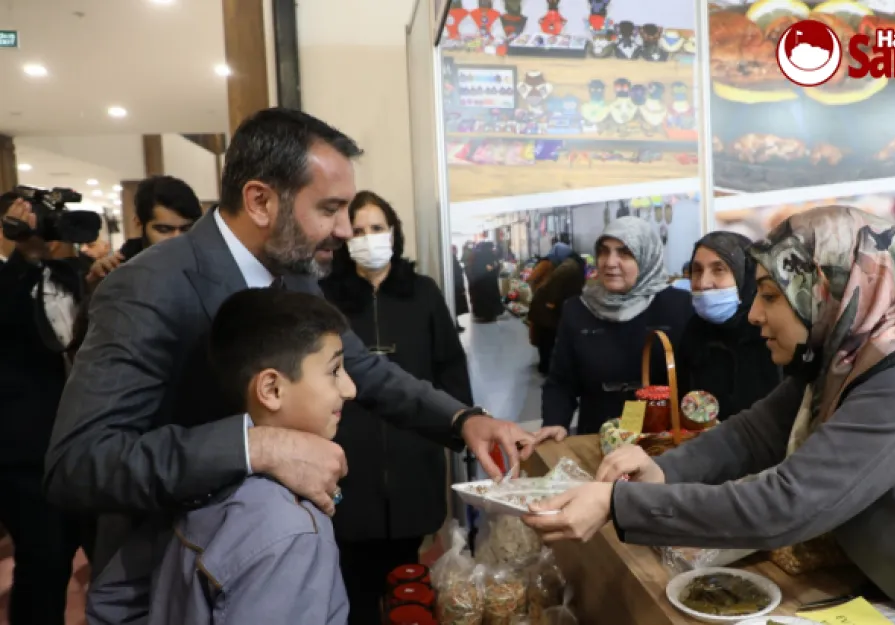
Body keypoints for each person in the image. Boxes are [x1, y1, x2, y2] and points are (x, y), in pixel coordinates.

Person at [43, 107, 533, 624]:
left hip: (274, 554)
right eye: (330, 208)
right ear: (259, 200)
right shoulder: (150, 287)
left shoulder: (294, 273)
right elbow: (80, 462)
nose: (344, 230)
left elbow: (363, 369)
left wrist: (462, 420)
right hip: (181, 582)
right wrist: (259, 446)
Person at [524, 206, 895, 603]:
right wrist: (661, 469)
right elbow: (755, 432)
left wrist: (622, 505)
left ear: (829, 290)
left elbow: (790, 502)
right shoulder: (845, 358)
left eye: (773, 297)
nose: (755, 315)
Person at [150, 288, 354, 625]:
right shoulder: (290, 532)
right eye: (334, 371)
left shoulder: (198, 483)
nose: (350, 388)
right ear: (272, 389)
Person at [319, 191, 473, 625]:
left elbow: (450, 367)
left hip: (413, 455)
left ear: (394, 233)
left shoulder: (422, 292)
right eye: (360, 230)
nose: (369, 238)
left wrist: (461, 426)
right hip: (350, 458)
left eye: (378, 228)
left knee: (409, 584)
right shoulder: (325, 296)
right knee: (355, 587)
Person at [0, 193, 87, 625]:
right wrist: (24, 257)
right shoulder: (8, 281)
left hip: (87, 445)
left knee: (106, 555)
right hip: (26, 455)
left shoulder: (77, 276)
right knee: (44, 563)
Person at [535, 217, 693, 440]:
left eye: (624, 253)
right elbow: (561, 382)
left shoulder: (679, 306)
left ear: (646, 256)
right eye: (604, 251)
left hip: (664, 441)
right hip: (599, 437)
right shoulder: (578, 310)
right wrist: (555, 422)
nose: (610, 262)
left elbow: (696, 379)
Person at [676, 232, 780, 419]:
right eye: (697, 270)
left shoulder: (768, 333)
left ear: (745, 275)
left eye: (718, 270)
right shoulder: (693, 331)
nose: (704, 283)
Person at [85, 175, 202, 289]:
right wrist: (96, 286)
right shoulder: (120, 269)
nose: (177, 238)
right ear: (139, 223)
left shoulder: (209, 264)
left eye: (186, 229)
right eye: (164, 230)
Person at [528, 243, 585, 375]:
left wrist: (551, 302)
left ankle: (547, 366)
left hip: (547, 305)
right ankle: (548, 367)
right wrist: (551, 302)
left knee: (546, 338)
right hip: (547, 305)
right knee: (548, 338)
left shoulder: (566, 265)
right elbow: (556, 285)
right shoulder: (571, 266)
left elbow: (554, 285)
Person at [467, 240, 504, 323]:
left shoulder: (477, 256)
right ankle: (491, 315)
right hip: (490, 281)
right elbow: (494, 266)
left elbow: (474, 268)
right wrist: (492, 269)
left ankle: (483, 314)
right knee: (490, 298)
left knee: (483, 299)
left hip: (480, 282)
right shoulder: (490, 255)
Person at [452, 244, 468, 332]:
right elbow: (457, 274)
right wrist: (461, 288)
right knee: (456, 306)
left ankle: (456, 324)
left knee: (456, 307)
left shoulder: (453, 259)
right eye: (455, 250)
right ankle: (455, 325)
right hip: (456, 287)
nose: (456, 251)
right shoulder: (453, 260)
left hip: (456, 287)